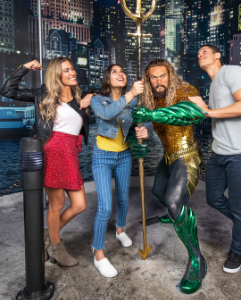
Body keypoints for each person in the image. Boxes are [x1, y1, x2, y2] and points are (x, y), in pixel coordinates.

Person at [0, 57, 93, 267]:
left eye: (72, 69)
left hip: (70, 153)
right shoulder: (41, 94)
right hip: (52, 152)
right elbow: (7, 90)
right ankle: (57, 249)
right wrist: (24, 67)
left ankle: (47, 236)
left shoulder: (79, 97)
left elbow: (104, 95)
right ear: (56, 74)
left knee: (79, 205)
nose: (72, 73)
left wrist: (91, 95)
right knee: (57, 204)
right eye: (66, 70)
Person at [189, 45, 241, 274]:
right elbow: (220, 116)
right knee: (214, 198)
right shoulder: (213, 84)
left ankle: (238, 250)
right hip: (219, 152)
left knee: (238, 204)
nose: (200, 54)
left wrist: (206, 111)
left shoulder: (233, 72)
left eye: (206, 51)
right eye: (198, 53)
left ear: (218, 54)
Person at [132, 59, 207, 294]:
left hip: (187, 155)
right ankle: (174, 215)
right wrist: (139, 141)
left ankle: (197, 260)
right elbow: (138, 131)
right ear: (147, 80)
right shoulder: (149, 98)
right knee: (158, 193)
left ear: (170, 75)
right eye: (153, 77)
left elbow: (197, 112)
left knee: (174, 203)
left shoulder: (185, 90)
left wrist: (154, 113)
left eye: (162, 76)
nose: (158, 81)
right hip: (168, 156)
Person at [89, 64, 149, 277]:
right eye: (114, 71)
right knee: (105, 207)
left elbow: (133, 131)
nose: (120, 74)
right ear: (107, 78)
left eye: (122, 71)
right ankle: (98, 254)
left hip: (124, 156)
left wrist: (142, 133)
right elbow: (106, 114)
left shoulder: (132, 104)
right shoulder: (97, 99)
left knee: (123, 198)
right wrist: (131, 93)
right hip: (102, 157)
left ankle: (120, 230)